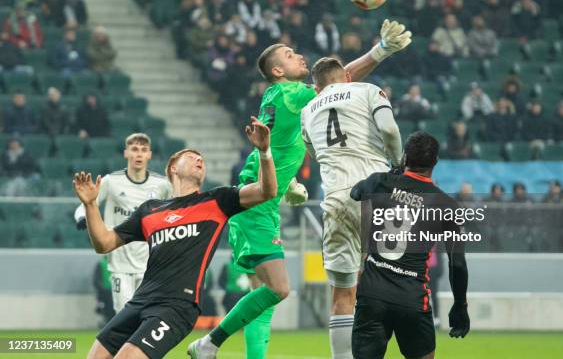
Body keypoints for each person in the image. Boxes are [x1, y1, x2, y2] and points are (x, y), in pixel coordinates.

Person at [189, 20, 412, 359]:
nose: (300, 57)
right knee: (277, 289)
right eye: (291, 55)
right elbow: (339, 83)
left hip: (262, 195)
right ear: (278, 70)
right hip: (256, 200)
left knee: (263, 293)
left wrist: (287, 182)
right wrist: (379, 51)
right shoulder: (294, 94)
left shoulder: (282, 98)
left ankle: (220, 349)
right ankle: (210, 342)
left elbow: (279, 145)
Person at [75, 117, 277, 359]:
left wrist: (264, 152)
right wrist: (90, 206)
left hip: (176, 306)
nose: (199, 159)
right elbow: (104, 243)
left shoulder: (217, 201)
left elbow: (267, 190)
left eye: (201, 159)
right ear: (173, 167)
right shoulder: (150, 210)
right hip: (140, 301)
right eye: (191, 157)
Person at [300, 57, 403, 359]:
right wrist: (397, 166)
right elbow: (390, 131)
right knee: (393, 282)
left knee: (343, 292)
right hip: (379, 193)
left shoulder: (308, 111)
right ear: (346, 76)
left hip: (337, 199)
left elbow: (316, 155)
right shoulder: (368, 90)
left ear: (316, 87)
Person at [350, 131, 470, 359]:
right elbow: (458, 264)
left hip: (372, 294)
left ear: (404, 157)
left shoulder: (380, 182)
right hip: (412, 297)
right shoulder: (447, 205)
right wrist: (460, 305)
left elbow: (356, 192)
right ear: (435, 162)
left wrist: (390, 175)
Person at [74, 133, 173, 314]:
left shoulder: (162, 185)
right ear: (126, 153)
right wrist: (82, 218)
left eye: (143, 150)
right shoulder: (111, 182)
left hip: (149, 264)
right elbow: (85, 205)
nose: (139, 154)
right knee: (125, 316)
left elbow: (178, 210)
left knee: (146, 317)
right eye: (134, 149)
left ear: (149, 155)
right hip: (120, 264)